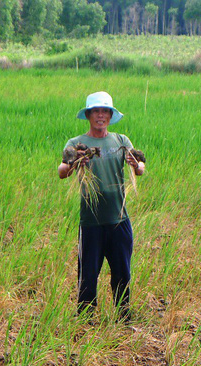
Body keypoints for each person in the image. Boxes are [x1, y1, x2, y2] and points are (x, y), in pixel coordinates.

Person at [58, 91, 145, 321]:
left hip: (119, 220)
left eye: (105, 111)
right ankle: (85, 320)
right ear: (88, 115)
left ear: (110, 115)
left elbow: (140, 167)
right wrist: (76, 162)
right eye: (96, 111)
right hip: (91, 223)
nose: (100, 115)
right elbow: (61, 172)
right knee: (87, 275)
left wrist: (137, 165)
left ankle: (123, 318)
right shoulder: (77, 144)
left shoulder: (121, 141)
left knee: (122, 274)